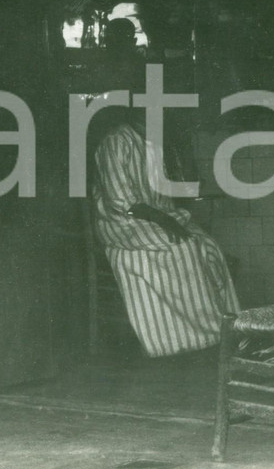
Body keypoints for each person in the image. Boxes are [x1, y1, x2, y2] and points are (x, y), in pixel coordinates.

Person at [92, 107, 240, 356]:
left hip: (156, 217)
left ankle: (228, 329)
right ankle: (188, 340)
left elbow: (166, 192)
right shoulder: (116, 141)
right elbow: (121, 201)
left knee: (207, 245)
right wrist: (163, 219)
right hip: (123, 222)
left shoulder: (154, 141)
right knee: (182, 248)